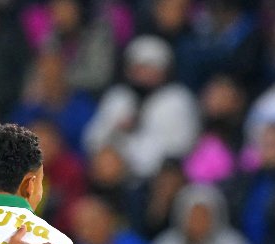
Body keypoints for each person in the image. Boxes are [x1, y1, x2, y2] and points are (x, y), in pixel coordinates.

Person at [82, 35, 199, 181]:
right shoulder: (118, 96)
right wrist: (116, 129)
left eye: (150, 68)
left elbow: (181, 148)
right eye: (139, 67)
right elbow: (92, 140)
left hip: (157, 177)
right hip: (114, 176)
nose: (144, 74)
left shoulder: (178, 99)